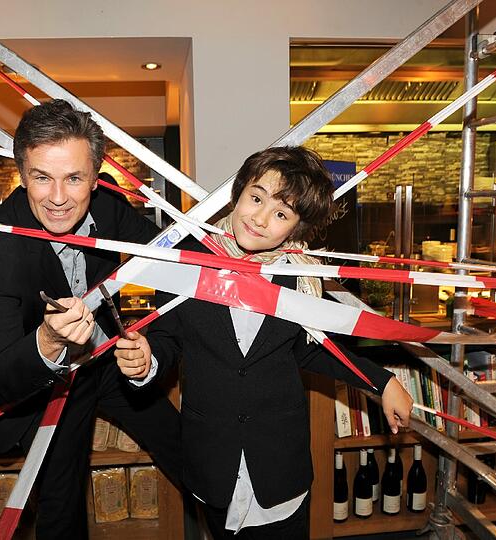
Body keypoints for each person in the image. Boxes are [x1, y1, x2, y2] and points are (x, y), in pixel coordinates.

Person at [115, 146, 413, 539]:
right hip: (213, 462)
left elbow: (311, 348)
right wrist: (146, 360)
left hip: (280, 466)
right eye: (256, 199)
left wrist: (382, 382)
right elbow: (168, 338)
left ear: (296, 229)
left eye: (281, 214)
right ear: (237, 193)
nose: (260, 219)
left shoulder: (300, 275)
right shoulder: (187, 259)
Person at [0, 99, 181, 539]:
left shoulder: (110, 205)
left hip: (105, 358)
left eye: (74, 178)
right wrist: (47, 340)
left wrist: (153, 344)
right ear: (22, 174)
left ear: (96, 177)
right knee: (61, 509)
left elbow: (169, 257)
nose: (59, 198)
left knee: (187, 449)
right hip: (44, 384)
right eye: (42, 177)